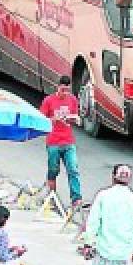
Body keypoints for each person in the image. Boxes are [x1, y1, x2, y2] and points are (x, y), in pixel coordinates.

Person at [40, 75, 82, 208]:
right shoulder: (49, 100)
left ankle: (76, 198)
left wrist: (74, 119)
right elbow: (42, 119)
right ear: (57, 87)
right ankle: (52, 196)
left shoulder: (72, 100)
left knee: (73, 169)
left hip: (68, 141)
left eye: (67, 90)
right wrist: (54, 118)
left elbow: (75, 116)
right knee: (53, 170)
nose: (65, 93)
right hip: (53, 141)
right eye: (62, 90)